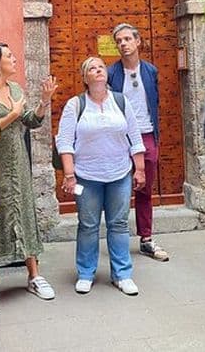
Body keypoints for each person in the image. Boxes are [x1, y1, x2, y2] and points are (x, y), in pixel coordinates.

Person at [0, 43, 58, 309]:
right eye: (9, 56)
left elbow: (30, 121)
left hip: (19, 162)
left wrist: (44, 103)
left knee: (24, 211)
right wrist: (12, 113)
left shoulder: (15, 89)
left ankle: (34, 275)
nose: (14, 59)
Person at [56, 56, 146, 296]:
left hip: (119, 174)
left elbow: (134, 137)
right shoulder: (75, 105)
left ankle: (123, 274)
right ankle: (86, 273)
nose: (97, 70)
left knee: (118, 224)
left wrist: (139, 169)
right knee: (88, 225)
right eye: (91, 68)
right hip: (86, 176)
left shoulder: (121, 101)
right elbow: (64, 142)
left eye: (100, 67)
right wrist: (69, 174)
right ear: (85, 78)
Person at [106, 23, 169, 261]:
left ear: (138, 41)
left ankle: (146, 238)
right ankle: (117, 238)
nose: (123, 44)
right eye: (119, 41)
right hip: (120, 138)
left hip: (146, 135)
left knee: (145, 189)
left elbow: (154, 103)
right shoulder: (112, 73)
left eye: (127, 39)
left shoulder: (150, 71)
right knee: (118, 190)